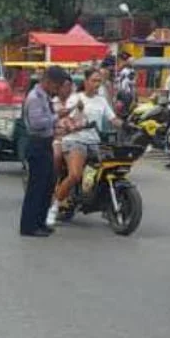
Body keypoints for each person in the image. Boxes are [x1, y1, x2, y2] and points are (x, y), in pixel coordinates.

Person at [47, 69, 123, 227]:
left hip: (94, 143)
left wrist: (128, 125)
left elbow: (113, 119)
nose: (97, 84)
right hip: (75, 141)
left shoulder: (101, 101)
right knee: (75, 175)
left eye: (99, 81)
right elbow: (67, 118)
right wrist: (78, 120)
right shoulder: (76, 99)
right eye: (94, 80)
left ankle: (105, 202)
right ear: (86, 81)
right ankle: (53, 208)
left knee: (112, 168)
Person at [20, 66, 69, 237]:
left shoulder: (44, 97)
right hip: (37, 144)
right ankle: (29, 226)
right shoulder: (34, 98)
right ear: (48, 82)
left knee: (47, 186)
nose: (56, 91)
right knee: (36, 187)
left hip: (46, 143)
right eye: (56, 87)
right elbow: (37, 123)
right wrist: (57, 116)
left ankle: (40, 222)